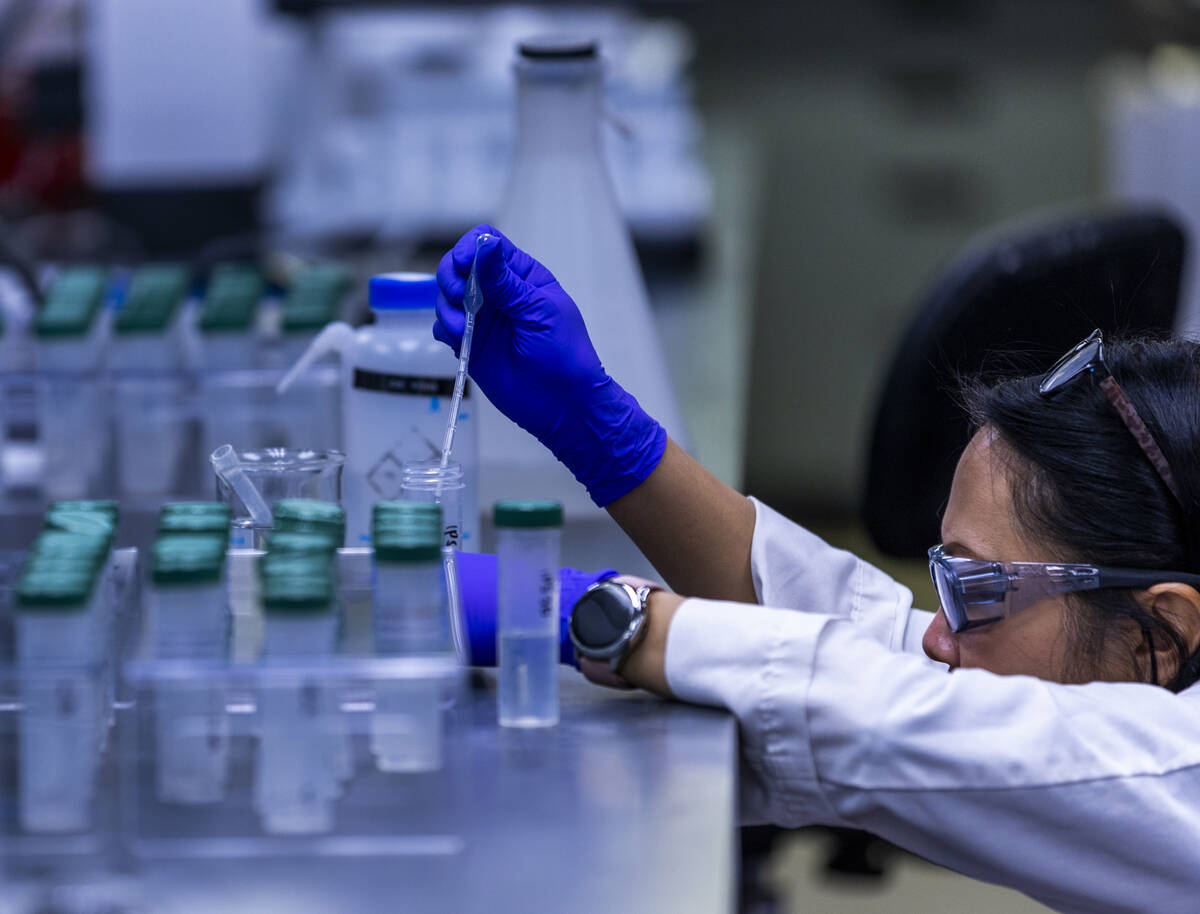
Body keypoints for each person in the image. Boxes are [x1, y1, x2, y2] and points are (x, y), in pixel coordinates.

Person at [435, 225, 1200, 913]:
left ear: (1159, 639)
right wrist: (607, 437)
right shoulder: (1121, 676)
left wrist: (602, 616)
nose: (936, 640)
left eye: (977, 591)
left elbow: (910, 722)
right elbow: (866, 645)